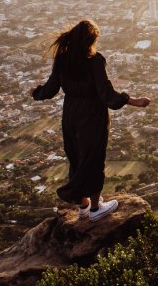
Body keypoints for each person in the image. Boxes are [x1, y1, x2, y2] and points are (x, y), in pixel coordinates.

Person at [29, 20, 150, 222]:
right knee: (93, 159)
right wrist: (133, 101)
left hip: (70, 114)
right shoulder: (95, 61)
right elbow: (106, 92)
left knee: (76, 157)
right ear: (91, 40)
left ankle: (83, 206)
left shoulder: (62, 59)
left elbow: (50, 89)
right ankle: (95, 208)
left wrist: (35, 92)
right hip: (92, 115)